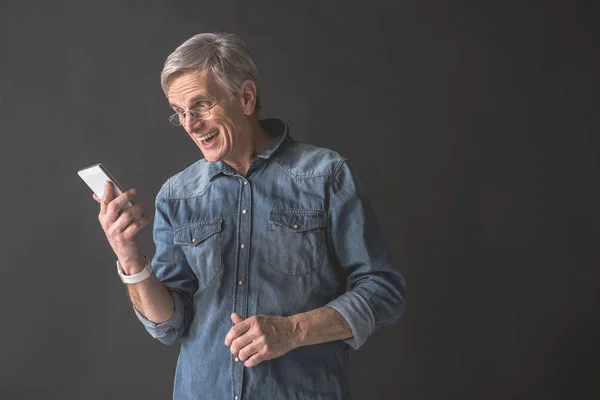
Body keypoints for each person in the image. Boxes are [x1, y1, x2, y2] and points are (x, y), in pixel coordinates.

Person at [93, 32, 405, 400]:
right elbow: (169, 326)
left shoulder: (327, 176)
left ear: (245, 97)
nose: (190, 124)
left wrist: (293, 330)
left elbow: (384, 293)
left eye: (201, 105)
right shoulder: (177, 196)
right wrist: (129, 258)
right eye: (180, 112)